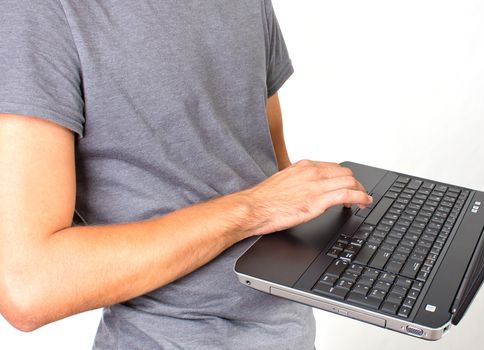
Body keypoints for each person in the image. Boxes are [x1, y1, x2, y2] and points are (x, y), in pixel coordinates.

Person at [0, 1, 372, 349]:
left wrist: (358, 241)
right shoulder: (37, 13)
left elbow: (270, 169)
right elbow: (29, 287)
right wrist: (251, 209)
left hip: (291, 331)